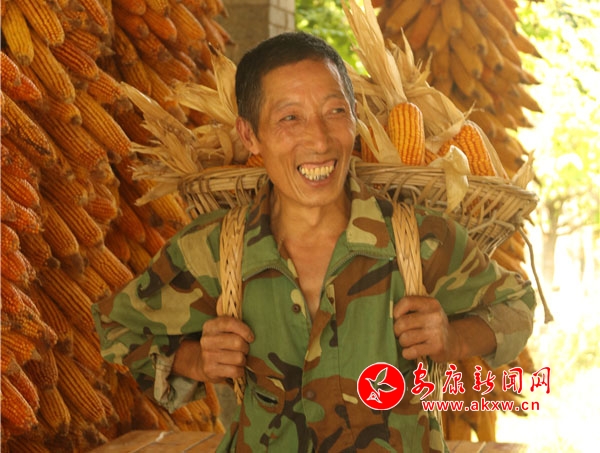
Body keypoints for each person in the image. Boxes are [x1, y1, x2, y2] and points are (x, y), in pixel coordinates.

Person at [92, 32, 536, 452]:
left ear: (355, 118)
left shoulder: (418, 242)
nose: (320, 140)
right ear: (250, 136)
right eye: (290, 118)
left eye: (335, 111)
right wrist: (196, 362)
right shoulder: (215, 250)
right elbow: (118, 328)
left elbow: (516, 305)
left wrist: (453, 340)